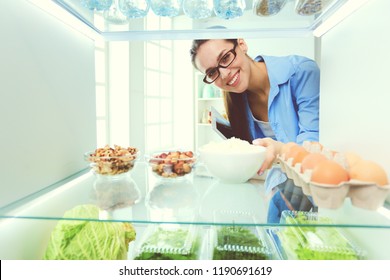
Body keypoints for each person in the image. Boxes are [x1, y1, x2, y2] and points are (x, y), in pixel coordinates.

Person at [190, 38, 320, 223]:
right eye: (212, 72)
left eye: (225, 57)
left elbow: (313, 143)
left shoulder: (302, 72)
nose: (225, 74)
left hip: (318, 193)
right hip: (278, 195)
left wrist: (280, 151)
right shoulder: (237, 103)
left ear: (241, 45)